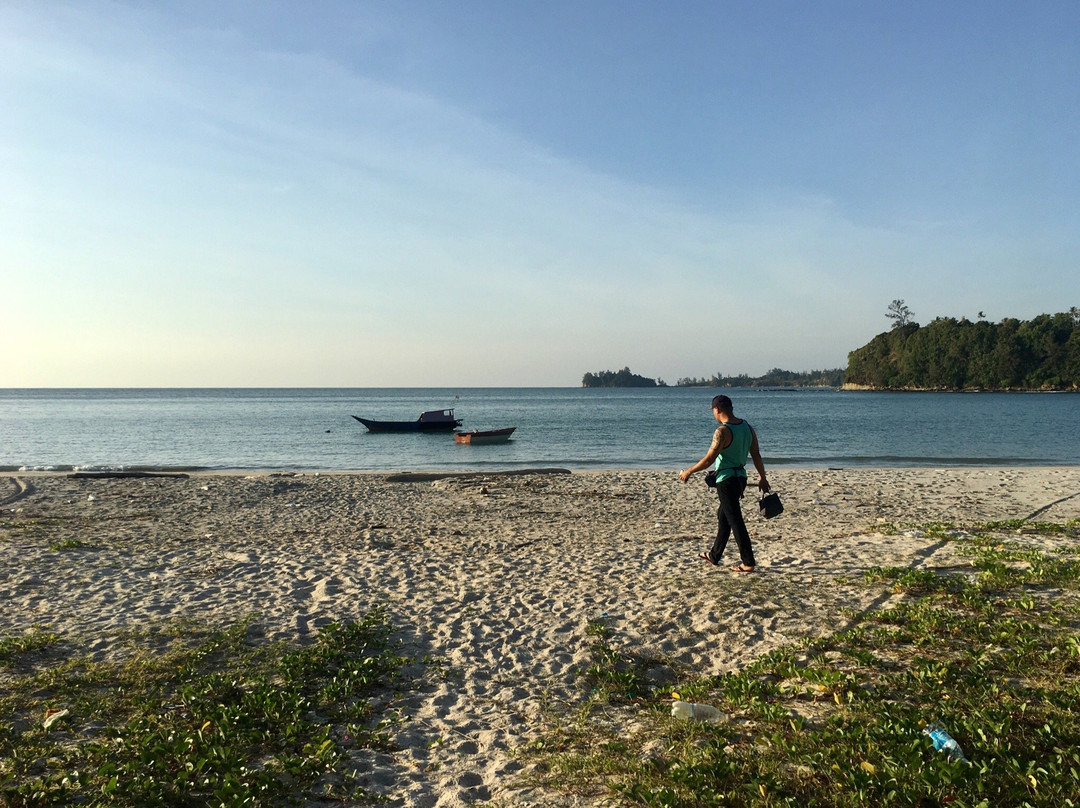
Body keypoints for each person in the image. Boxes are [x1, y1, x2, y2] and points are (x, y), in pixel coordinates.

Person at [679, 394, 769, 572]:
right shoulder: (748, 428)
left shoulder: (722, 431)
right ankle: (714, 555)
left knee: (735, 520)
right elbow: (756, 454)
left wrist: (689, 471)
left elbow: (709, 459)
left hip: (726, 480)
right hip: (740, 478)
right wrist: (762, 477)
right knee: (724, 515)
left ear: (717, 410)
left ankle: (748, 562)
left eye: (713, 410)